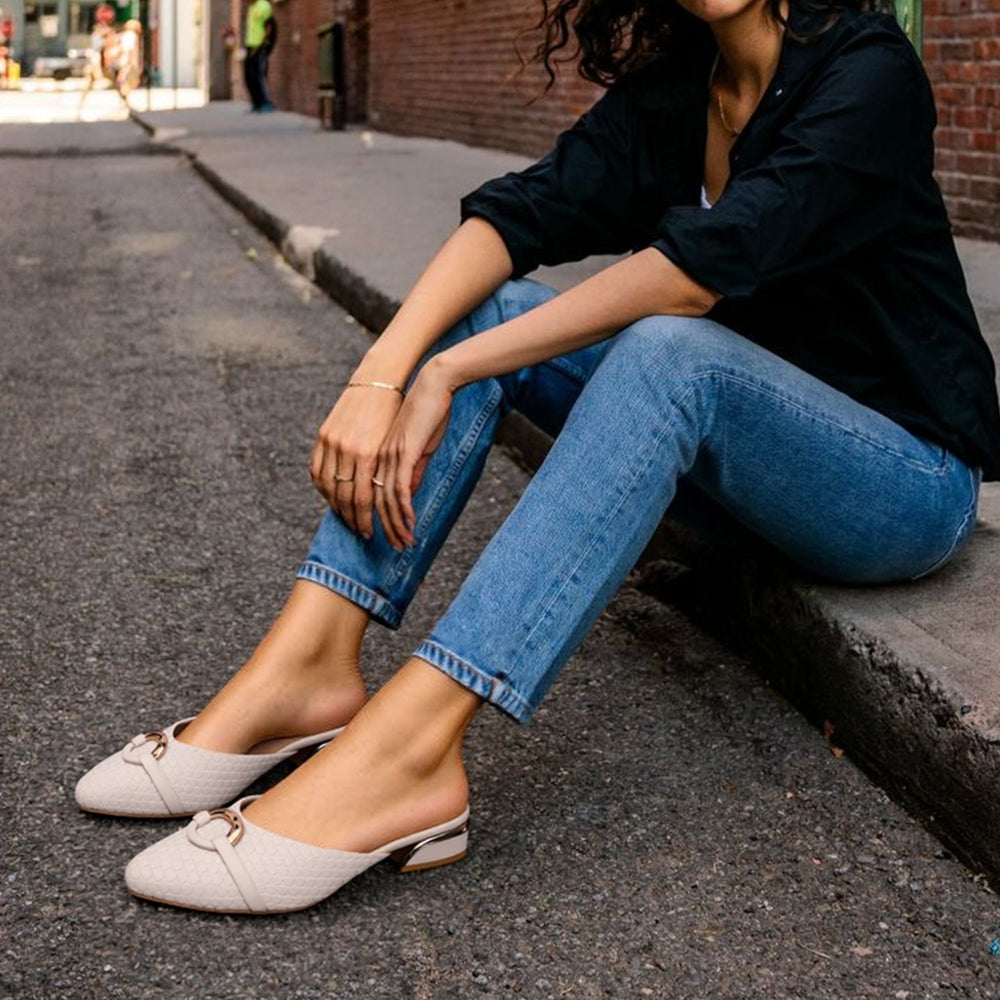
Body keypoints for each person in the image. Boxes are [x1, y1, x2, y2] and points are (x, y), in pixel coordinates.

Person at [76, 0, 1000, 915]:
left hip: (901, 484)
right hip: (742, 485)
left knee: (659, 351)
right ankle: (305, 669)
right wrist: (384, 373)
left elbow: (695, 273)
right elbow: (523, 214)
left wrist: (449, 370)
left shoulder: (868, 71)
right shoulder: (688, 87)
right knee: (489, 311)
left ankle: (408, 757)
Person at [243, 0, 274, 112]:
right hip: (250, 45)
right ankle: (256, 102)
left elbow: (269, 28)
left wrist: (260, 46)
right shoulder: (252, 7)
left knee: (259, 75)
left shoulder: (264, 6)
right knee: (249, 76)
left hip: (260, 47)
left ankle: (265, 103)